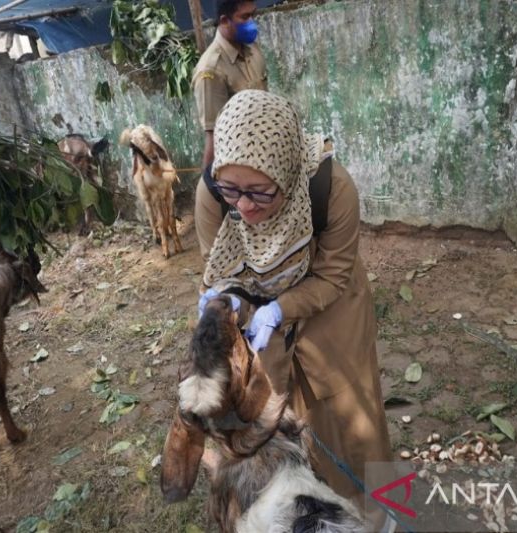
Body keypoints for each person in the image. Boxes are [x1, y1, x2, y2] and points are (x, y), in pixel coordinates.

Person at [195, 90, 393, 529]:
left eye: (259, 192)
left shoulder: (332, 188)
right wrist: (225, 301)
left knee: (353, 428)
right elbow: (222, 270)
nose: (243, 207)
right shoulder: (212, 196)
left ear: (285, 174)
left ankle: (375, 517)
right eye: (232, 190)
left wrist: (280, 309)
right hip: (263, 332)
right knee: (286, 430)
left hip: (332, 316)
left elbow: (333, 276)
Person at [192, 0, 267, 168]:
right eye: (245, 17)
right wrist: (210, 188)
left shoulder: (253, 51)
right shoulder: (210, 70)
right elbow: (214, 136)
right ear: (225, 20)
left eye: (252, 15)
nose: (251, 23)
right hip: (242, 165)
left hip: (267, 153)